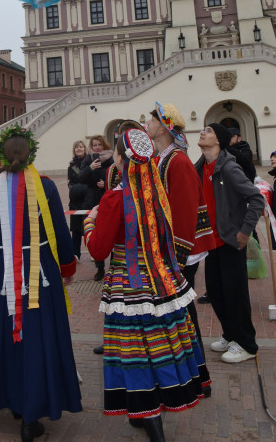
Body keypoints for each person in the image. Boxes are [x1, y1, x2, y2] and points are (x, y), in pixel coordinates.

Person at [84, 128, 209, 442]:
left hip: (129, 282)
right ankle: (161, 403)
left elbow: (98, 249)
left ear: (122, 159)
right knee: (164, 344)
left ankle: (150, 417)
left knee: (136, 351)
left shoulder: (115, 198)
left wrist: (89, 222)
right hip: (162, 279)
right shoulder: (157, 192)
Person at [0, 125, 82, 442]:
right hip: (39, 271)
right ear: (31, 154)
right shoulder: (45, 186)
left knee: (3, 336)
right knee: (39, 336)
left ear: (2, 155)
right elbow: (61, 231)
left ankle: (13, 402)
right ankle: (34, 411)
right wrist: (67, 266)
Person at [146, 102, 214, 382]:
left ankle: (199, 374)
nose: (146, 125)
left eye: (150, 121)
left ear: (163, 126)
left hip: (178, 252)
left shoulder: (179, 161)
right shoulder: (163, 157)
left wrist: (175, 254)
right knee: (177, 312)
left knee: (184, 312)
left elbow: (185, 212)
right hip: (167, 250)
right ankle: (188, 371)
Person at [194, 123, 265, 363]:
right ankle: (230, 334)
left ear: (219, 141)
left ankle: (247, 344)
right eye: (203, 129)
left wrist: (245, 233)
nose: (203, 132)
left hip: (230, 240)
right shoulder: (201, 166)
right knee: (215, 291)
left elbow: (256, 198)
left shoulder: (229, 167)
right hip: (211, 241)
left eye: (209, 131)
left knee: (236, 294)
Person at [75, 134, 114, 280]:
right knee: (96, 233)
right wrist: (90, 168)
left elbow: (118, 177)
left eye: (99, 145)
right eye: (94, 145)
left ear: (104, 145)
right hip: (92, 200)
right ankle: (100, 268)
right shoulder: (88, 159)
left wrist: (107, 184)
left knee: (111, 232)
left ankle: (115, 266)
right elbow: (80, 179)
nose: (97, 147)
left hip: (107, 199)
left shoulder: (111, 159)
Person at [67, 140, 88, 260]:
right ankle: (76, 254)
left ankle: (93, 252)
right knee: (75, 229)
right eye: (76, 147)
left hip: (87, 201)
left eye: (81, 147)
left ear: (84, 149)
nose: (79, 149)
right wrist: (73, 187)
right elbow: (70, 182)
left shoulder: (89, 162)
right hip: (75, 201)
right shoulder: (71, 165)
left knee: (89, 227)